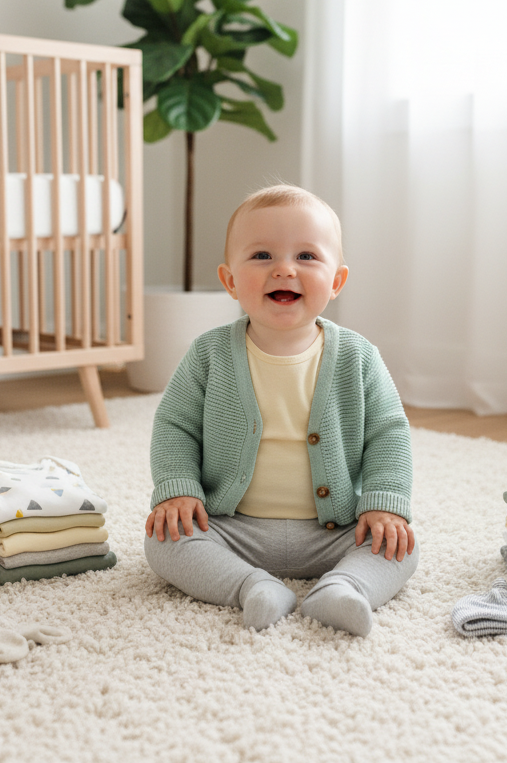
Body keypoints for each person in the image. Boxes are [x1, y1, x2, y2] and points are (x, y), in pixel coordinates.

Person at [143, 184, 418, 636]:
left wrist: (385, 504)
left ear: (336, 281)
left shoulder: (358, 357)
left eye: (307, 257)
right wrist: (177, 489)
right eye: (262, 256)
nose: (284, 269)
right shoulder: (208, 355)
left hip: (333, 529)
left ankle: (344, 588)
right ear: (230, 280)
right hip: (231, 528)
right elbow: (175, 426)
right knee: (164, 541)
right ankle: (252, 586)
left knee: (400, 547)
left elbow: (388, 432)